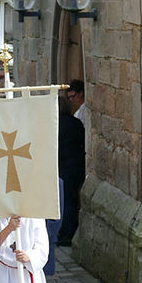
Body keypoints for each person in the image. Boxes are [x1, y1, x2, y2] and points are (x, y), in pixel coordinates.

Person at [57, 95, 85, 246]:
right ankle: (69, 231)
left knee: (62, 202)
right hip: (76, 167)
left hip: (60, 167)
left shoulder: (53, 124)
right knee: (71, 200)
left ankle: (63, 232)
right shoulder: (76, 123)